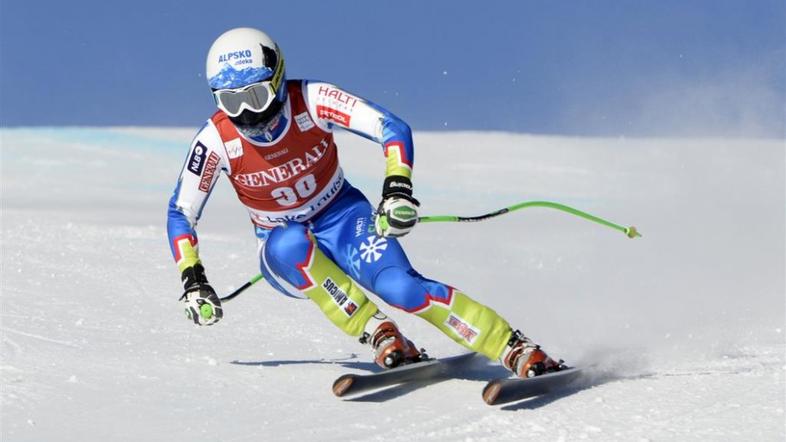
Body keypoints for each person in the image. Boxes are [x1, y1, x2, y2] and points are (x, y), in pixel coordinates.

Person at [167, 27, 561, 378]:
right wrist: (193, 280)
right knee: (290, 242)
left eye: (255, 96)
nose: (247, 114)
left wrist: (397, 189)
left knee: (402, 288)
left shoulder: (311, 99)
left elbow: (391, 128)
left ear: (278, 78)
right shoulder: (215, 140)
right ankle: (377, 331)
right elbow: (181, 213)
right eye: (230, 103)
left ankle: (512, 346)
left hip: (344, 218)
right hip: (283, 252)